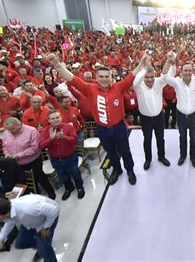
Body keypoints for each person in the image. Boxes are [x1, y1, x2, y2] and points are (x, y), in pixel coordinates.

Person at [46, 52, 148, 186]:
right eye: (101, 77)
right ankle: (117, 170)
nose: (104, 79)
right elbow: (73, 79)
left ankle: (130, 170)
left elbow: (132, 75)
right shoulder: (89, 89)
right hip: (102, 129)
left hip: (119, 128)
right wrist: (57, 65)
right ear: (96, 78)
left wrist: (142, 62)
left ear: (111, 78)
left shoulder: (119, 87)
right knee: (110, 152)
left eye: (107, 76)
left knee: (125, 151)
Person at [162, 51, 195, 169]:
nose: (187, 73)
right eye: (185, 70)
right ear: (181, 72)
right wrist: (168, 61)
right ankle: (182, 156)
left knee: (194, 138)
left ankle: (193, 157)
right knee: (182, 137)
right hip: (181, 115)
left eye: (189, 70)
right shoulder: (176, 82)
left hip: (194, 115)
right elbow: (164, 76)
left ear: (192, 72)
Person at [0, 195, 59, 262]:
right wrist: (1, 238)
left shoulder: (28, 208)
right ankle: (42, 249)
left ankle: (45, 252)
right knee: (20, 244)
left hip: (46, 219)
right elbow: (9, 222)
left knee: (44, 248)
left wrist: (47, 227)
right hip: (29, 222)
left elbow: (54, 210)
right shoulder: (6, 211)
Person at [133, 57, 173, 170]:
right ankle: (148, 159)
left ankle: (161, 156)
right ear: (143, 77)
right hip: (146, 119)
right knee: (147, 139)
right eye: (147, 77)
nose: (150, 79)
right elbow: (136, 81)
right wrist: (145, 68)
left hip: (159, 117)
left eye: (152, 77)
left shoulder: (159, 83)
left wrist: (170, 62)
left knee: (160, 139)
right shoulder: (139, 87)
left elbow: (168, 75)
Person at [2, 117, 55, 199]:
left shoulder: (31, 131)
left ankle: (50, 192)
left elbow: (35, 148)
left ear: (19, 124)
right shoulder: (7, 132)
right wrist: (7, 154)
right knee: (25, 181)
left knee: (40, 177)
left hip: (33, 161)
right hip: (17, 163)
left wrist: (18, 155)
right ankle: (36, 195)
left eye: (12, 129)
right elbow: (4, 146)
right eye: (8, 130)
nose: (10, 132)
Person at [39, 110, 85, 200]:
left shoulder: (68, 127)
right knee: (62, 176)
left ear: (61, 118)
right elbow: (41, 146)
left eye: (57, 117)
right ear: (49, 120)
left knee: (75, 173)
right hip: (56, 159)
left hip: (71, 157)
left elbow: (74, 140)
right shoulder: (45, 131)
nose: (56, 120)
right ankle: (69, 188)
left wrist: (64, 137)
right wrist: (51, 139)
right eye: (53, 118)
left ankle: (79, 187)